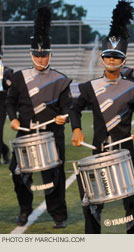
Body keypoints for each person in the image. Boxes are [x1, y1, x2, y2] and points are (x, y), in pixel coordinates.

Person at [70, 0, 134, 234]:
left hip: (126, 151)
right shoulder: (89, 87)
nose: (112, 61)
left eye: (117, 57)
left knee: (133, 199)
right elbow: (74, 109)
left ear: (124, 60)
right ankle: (92, 240)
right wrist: (76, 129)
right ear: (102, 58)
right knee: (93, 200)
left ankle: (132, 239)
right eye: (109, 56)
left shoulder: (133, 88)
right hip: (99, 149)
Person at [5, 6, 71, 228]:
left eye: (44, 55)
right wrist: (12, 118)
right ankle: (25, 210)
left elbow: (68, 106)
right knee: (18, 174)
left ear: (50, 55)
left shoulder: (61, 79)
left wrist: (64, 117)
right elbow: (10, 101)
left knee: (54, 176)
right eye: (37, 55)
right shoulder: (18, 77)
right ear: (30, 54)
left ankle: (58, 215)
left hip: (52, 135)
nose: (41, 59)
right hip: (25, 134)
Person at [0, 39, 13, 164]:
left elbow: (9, 85)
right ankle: (4, 150)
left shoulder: (7, 71)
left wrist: (5, 80)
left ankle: (4, 151)